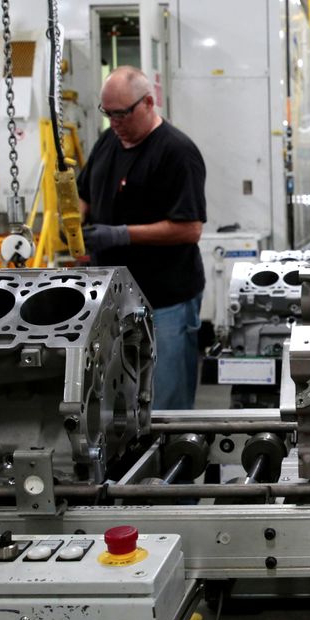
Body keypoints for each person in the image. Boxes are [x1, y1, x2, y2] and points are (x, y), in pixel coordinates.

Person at [78, 66, 207, 410]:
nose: (114, 122)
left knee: (166, 399)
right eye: (108, 114)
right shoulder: (108, 141)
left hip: (165, 300)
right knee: (118, 398)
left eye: (122, 113)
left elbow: (190, 228)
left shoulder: (177, 152)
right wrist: (75, 230)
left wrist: (121, 235)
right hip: (113, 298)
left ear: (149, 102)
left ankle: (174, 461)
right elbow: (84, 195)